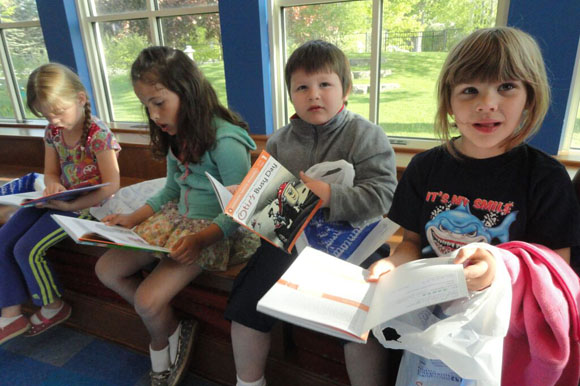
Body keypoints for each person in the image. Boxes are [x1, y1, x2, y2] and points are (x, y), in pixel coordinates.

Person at [367, 26, 580, 383]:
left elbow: (555, 273)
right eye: (470, 90)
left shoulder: (545, 177)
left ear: (530, 96)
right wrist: (391, 265)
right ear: (449, 103)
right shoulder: (425, 167)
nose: (487, 104)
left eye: (506, 87)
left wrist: (496, 272)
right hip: (427, 328)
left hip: (502, 341)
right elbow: (410, 244)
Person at [224, 40, 398, 386]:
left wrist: (330, 195)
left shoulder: (366, 135)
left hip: (354, 245)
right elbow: (271, 207)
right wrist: (247, 199)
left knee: (362, 324)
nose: (313, 95)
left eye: (324, 84)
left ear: (345, 90)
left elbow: (383, 196)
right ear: (290, 95)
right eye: (301, 87)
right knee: (245, 307)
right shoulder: (279, 142)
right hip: (291, 243)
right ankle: (248, 381)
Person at [94, 46, 259, 386]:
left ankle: (159, 342)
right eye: (147, 105)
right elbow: (170, 190)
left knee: (146, 298)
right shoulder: (176, 132)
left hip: (216, 232)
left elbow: (240, 209)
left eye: (159, 102)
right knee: (106, 269)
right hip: (179, 221)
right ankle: (170, 327)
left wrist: (200, 239)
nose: (153, 114)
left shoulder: (226, 139)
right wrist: (133, 216)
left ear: (187, 91)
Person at [0, 63, 120, 344]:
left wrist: (67, 206)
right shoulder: (53, 133)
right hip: (58, 199)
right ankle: (11, 312)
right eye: (45, 115)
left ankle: (53, 305)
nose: (53, 120)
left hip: (87, 206)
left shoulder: (98, 135)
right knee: (2, 239)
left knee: (26, 248)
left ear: (80, 98)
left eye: (57, 112)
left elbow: (112, 185)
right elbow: (51, 172)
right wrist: (52, 185)